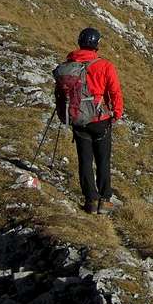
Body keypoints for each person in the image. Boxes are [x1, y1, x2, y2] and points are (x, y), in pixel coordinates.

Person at [56, 27, 123, 215]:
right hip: (100, 119)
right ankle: (105, 199)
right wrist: (116, 112)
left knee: (84, 160)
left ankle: (91, 200)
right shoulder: (105, 66)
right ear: (97, 45)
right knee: (103, 159)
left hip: (78, 119)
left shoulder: (69, 66)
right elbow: (114, 91)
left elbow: (62, 92)